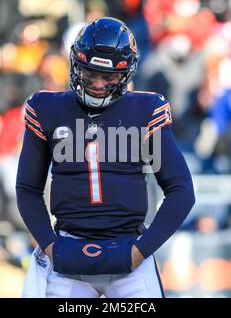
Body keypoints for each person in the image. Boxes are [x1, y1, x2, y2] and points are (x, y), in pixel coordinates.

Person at [16, 17, 195, 298]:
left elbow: (181, 189)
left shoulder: (146, 109)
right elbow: (27, 188)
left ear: (126, 72)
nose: (98, 84)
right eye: (90, 73)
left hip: (128, 248)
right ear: (76, 64)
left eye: (109, 77)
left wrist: (141, 249)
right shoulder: (47, 107)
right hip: (67, 248)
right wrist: (49, 245)